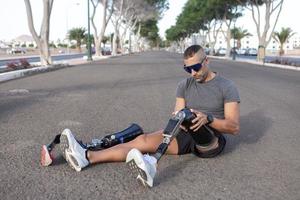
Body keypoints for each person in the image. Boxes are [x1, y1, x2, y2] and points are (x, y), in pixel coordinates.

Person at [59, 45, 240, 187]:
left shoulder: (226, 86)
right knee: (142, 140)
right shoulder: (184, 85)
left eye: (196, 67)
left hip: (209, 139)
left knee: (189, 115)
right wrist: (180, 118)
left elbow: (233, 127)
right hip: (186, 132)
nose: (193, 73)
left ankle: (152, 161)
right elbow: (177, 113)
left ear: (207, 61)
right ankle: (87, 156)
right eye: (188, 69)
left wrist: (207, 118)